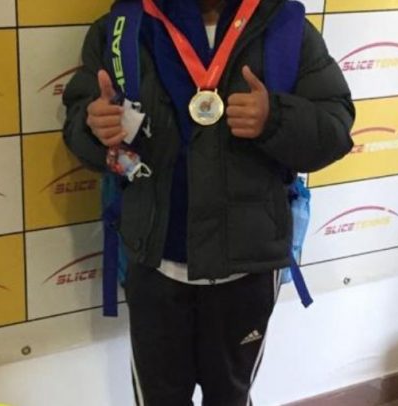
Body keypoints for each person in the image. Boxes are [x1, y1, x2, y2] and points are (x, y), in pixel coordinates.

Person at [63, 0, 354, 404]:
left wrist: (275, 118)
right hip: (155, 267)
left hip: (247, 271)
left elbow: (335, 131)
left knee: (231, 397)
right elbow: (78, 126)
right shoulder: (123, 29)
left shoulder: (285, 28)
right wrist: (94, 128)